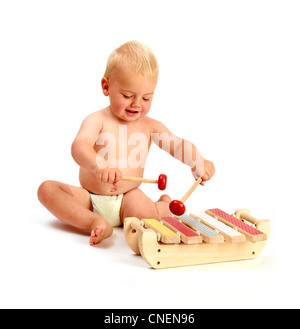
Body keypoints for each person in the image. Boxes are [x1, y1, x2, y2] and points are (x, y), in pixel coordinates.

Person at [37, 41, 215, 246]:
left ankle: (161, 206)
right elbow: (79, 147)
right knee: (47, 189)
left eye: (146, 98)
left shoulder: (150, 126)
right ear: (106, 86)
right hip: (89, 199)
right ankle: (94, 222)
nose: (137, 104)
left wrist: (198, 160)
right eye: (127, 95)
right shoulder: (97, 120)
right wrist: (98, 165)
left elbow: (176, 144)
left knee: (146, 215)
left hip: (128, 199)